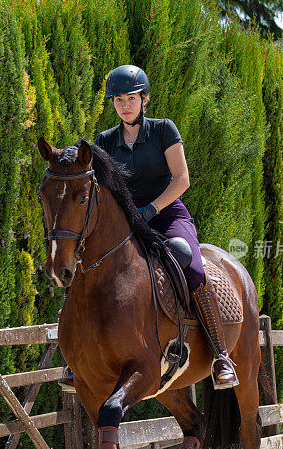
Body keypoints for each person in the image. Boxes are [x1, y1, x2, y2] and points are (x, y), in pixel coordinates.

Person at [59, 64, 239, 389]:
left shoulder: (163, 130)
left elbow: (182, 178)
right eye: (118, 100)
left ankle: (220, 354)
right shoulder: (105, 140)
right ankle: (76, 359)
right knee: (85, 268)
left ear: (144, 99)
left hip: (167, 213)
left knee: (193, 267)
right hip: (125, 222)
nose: (125, 105)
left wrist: (152, 207)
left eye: (131, 98)